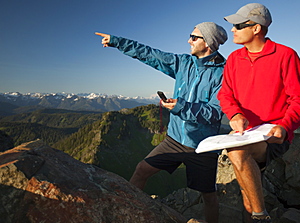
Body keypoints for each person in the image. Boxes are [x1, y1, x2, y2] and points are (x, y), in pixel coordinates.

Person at [95, 22, 227, 223]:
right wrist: (118, 42)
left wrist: (181, 106)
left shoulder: (223, 73)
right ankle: (127, 213)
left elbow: (216, 113)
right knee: (141, 170)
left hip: (203, 145)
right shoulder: (184, 63)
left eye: (193, 37)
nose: (188, 40)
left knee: (209, 196)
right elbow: (151, 55)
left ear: (208, 43)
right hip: (174, 139)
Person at [217, 3, 300, 223]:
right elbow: (225, 95)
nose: (232, 30)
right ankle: (254, 212)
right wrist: (235, 115)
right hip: (246, 133)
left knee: (236, 152)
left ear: (256, 28)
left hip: (273, 136)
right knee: (246, 200)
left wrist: (285, 127)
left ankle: (262, 217)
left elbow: (299, 100)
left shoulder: (286, 55)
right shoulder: (233, 59)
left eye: (238, 25)